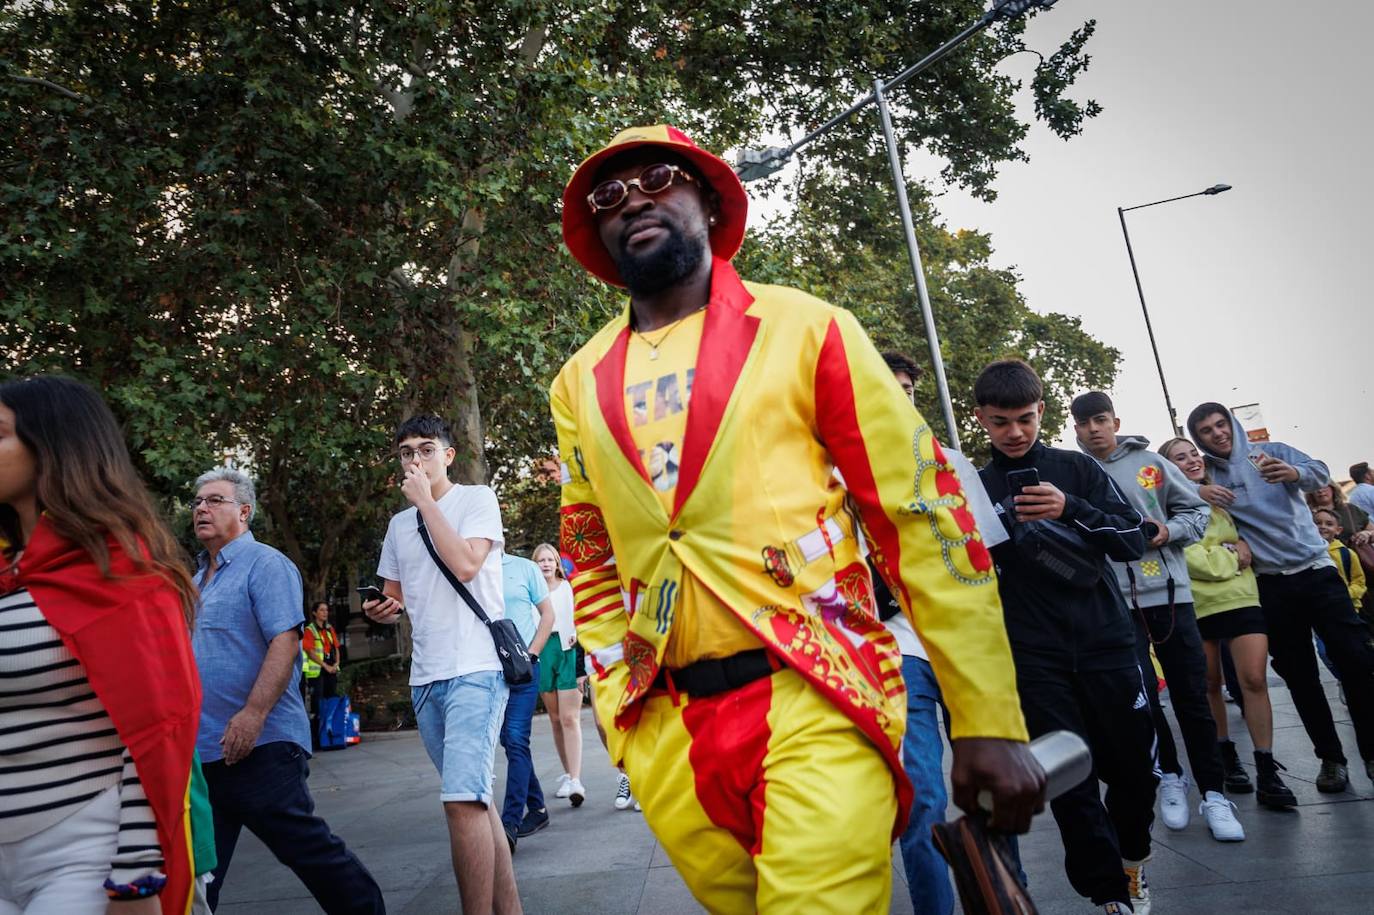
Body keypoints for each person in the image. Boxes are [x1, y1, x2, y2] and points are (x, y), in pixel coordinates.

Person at [551, 125, 1044, 912]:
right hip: (673, 735)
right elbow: (591, 550)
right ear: (596, 232)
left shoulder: (807, 327)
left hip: (816, 695)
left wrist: (986, 714)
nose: (634, 199)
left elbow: (923, 519)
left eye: (659, 178)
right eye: (609, 195)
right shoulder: (578, 380)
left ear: (708, 201)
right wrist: (620, 707)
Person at [0, 376, 200, 915]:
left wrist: (135, 877)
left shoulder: (125, 573)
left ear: (53, 447)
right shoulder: (6, 574)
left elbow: (157, 728)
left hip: (79, 855)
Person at [975, 362, 1158, 914]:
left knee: (1134, 776)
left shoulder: (1075, 469)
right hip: (1034, 657)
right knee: (1070, 785)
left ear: (1043, 413)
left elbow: (1134, 539)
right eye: (1001, 422)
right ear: (982, 419)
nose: (1015, 433)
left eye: (1025, 419)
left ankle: (1132, 865)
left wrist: (1069, 508)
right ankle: (1108, 894)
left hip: (1107, 643)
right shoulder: (973, 488)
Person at [190, 466, 384, 913]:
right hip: (204, 752)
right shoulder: (196, 580)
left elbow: (286, 640)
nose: (201, 508)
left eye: (214, 500)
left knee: (310, 853)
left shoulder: (267, 564)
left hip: (261, 745)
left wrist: (253, 713)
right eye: (198, 501)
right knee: (198, 876)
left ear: (244, 510)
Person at [364, 415, 519, 915]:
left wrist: (427, 503)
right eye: (407, 452)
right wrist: (380, 609)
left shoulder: (476, 500)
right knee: (474, 801)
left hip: (476, 667)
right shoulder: (397, 526)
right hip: (426, 678)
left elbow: (468, 565)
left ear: (448, 455)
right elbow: (395, 597)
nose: (416, 460)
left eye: (426, 450)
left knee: (460, 801)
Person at [1071, 392, 1242, 842]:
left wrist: (1169, 531)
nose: (1093, 429)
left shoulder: (1150, 463)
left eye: (1101, 420)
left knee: (1192, 695)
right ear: (1074, 427)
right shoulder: (1072, 473)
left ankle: (1214, 793)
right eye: (1084, 422)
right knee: (1142, 697)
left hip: (1169, 596)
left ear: (1115, 421)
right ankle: (1169, 775)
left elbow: (1197, 511)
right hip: (1112, 606)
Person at [879, 351, 1010, 915]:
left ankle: (1005, 901)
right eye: (886, 386)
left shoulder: (953, 463)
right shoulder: (830, 470)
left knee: (992, 793)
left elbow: (993, 560)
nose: (898, 396)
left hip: (966, 650)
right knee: (923, 796)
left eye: (907, 388)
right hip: (897, 649)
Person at [1189, 403, 1374, 792]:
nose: (1217, 433)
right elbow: (1165, 484)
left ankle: (1370, 753)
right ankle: (1331, 759)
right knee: (1300, 675)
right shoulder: (1209, 473)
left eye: (1221, 424)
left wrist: (1295, 473)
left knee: (1356, 659)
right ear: (1199, 439)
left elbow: (1320, 473)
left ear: (1233, 424)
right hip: (1271, 584)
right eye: (1206, 430)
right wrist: (1198, 488)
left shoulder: (1273, 451)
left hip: (1316, 570)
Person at [1159, 437, 1297, 809]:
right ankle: (1226, 755)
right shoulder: (1173, 503)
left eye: (1192, 454)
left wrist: (1239, 547)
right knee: (1209, 684)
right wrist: (1230, 558)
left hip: (1242, 598)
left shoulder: (1223, 498)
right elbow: (1190, 557)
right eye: (1179, 458)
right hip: (1198, 604)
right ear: (1168, 468)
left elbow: (1246, 536)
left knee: (1253, 678)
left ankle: (1267, 768)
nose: (1190, 461)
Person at [498, 549, 555, 850]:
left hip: (524, 669)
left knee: (516, 738)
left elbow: (548, 615)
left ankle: (509, 823)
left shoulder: (524, 568)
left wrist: (531, 653)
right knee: (510, 740)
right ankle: (538, 808)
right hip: (488, 672)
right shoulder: (469, 568)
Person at [532, 542, 593, 810]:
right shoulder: (531, 591)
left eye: (549, 559)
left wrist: (582, 665)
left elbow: (582, 622)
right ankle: (568, 775)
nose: (545, 564)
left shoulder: (569, 589)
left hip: (568, 651)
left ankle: (577, 781)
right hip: (544, 651)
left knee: (570, 718)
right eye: (540, 560)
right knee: (555, 719)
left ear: (557, 563)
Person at [302, 600, 342, 746]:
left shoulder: (329, 629)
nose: (325, 613)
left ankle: (330, 734)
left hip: (331, 670)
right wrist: (325, 666)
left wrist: (336, 663)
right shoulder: (309, 630)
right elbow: (310, 651)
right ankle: (317, 738)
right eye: (322, 610)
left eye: (326, 610)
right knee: (317, 705)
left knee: (331, 701)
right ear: (314, 613)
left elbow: (336, 647)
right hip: (318, 672)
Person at [1314, 509, 1366, 613]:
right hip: (1319, 610)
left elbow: (1359, 583)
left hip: (1348, 608)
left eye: (1329, 524)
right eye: (1317, 523)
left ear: (1338, 530)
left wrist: (1344, 594)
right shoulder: (1306, 554)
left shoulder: (1347, 554)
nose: (1322, 526)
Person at [1306, 482, 1374, 549]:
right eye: (1315, 487)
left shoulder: (1350, 509)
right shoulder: (1306, 515)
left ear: (1333, 488)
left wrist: (1367, 534)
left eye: (1324, 486)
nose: (1320, 490)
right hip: (1323, 557)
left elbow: (1372, 530)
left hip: (1355, 557)